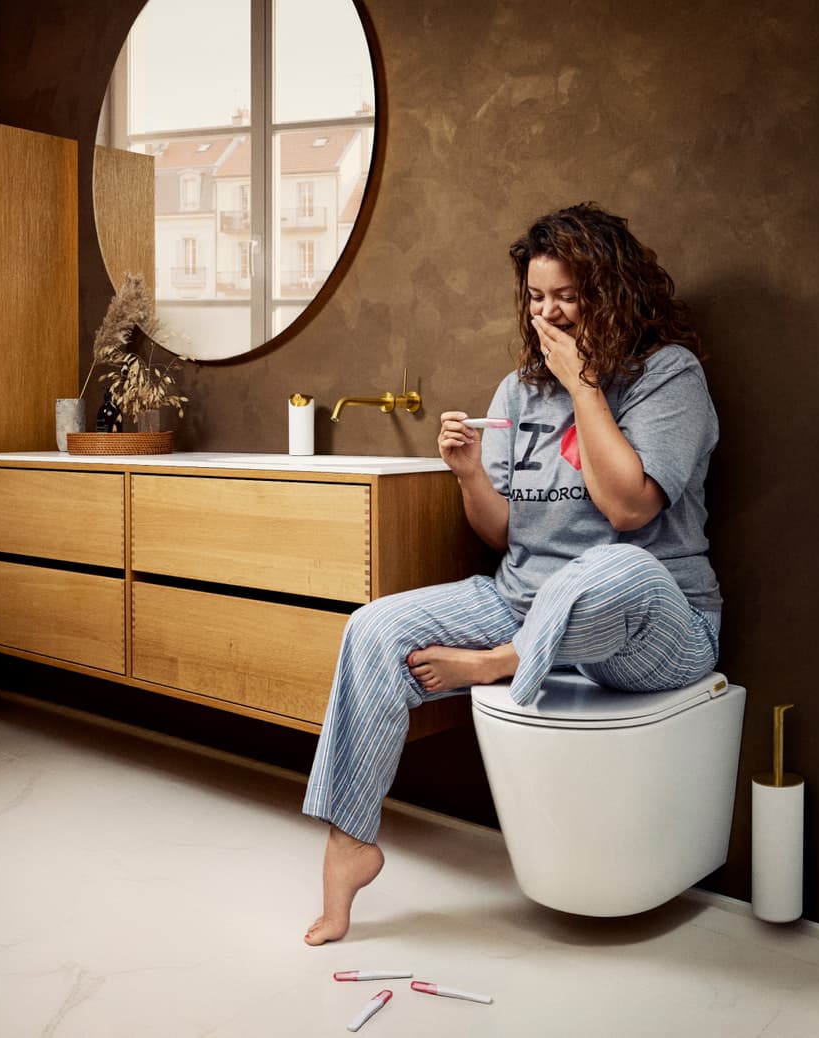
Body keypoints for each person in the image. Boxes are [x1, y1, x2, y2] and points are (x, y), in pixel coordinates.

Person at [300, 202, 723, 946]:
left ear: (613, 290)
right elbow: (503, 531)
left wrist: (586, 387)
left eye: (567, 294)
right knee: (374, 629)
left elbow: (628, 509)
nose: (548, 314)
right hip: (522, 602)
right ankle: (350, 842)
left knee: (611, 563)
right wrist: (468, 475)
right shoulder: (519, 391)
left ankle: (502, 665)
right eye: (536, 297)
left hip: (656, 620)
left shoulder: (667, 376)